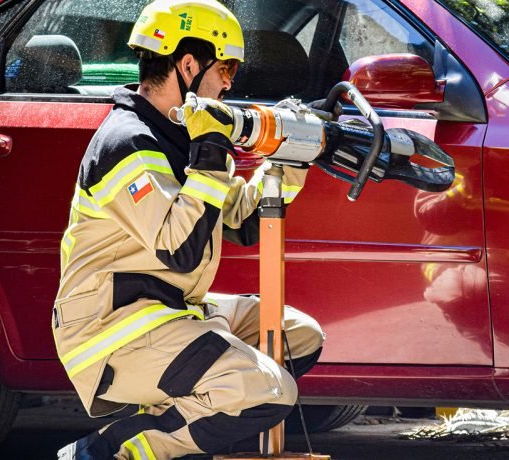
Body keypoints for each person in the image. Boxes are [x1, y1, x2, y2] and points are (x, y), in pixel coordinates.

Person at [54, 1, 325, 458]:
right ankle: (106, 452)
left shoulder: (180, 137)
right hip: (111, 327)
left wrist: (288, 157)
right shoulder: (128, 143)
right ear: (187, 65)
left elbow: (242, 221)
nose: (230, 82)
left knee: (299, 336)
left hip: (168, 306)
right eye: (226, 67)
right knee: (268, 389)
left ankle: (180, 407)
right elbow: (179, 248)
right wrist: (211, 151)